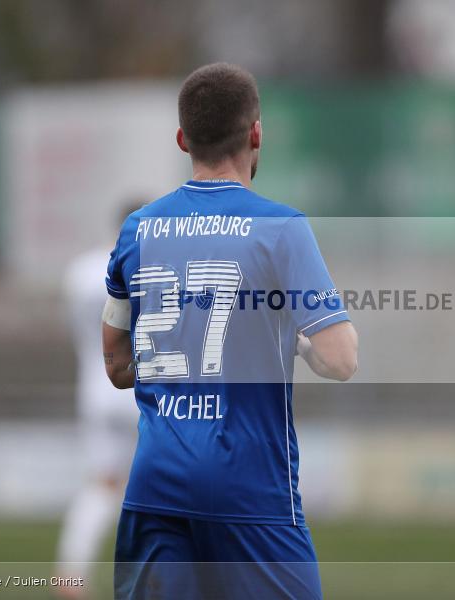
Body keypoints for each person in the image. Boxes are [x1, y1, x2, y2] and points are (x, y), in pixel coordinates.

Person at [101, 63, 358, 599]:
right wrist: (300, 344)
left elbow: (116, 364)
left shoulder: (138, 228)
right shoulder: (281, 228)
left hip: (157, 483)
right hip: (249, 490)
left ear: (182, 139)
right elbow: (341, 359)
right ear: (256, 133)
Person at [53, 207, 142, 599]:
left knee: (102, 485)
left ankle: (70, 573)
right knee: (169, 485)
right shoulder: (148, 266)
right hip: (139, 390)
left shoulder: (80, 270)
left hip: (95, 387)